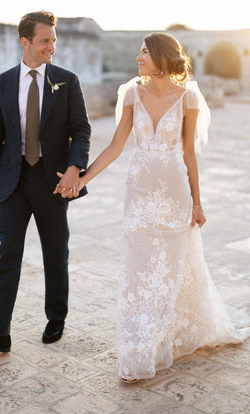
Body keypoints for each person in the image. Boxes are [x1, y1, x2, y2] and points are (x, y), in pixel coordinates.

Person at [55, 32, 249, 382]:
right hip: (140, 194)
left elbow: (189, 152)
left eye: (144, 52)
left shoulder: (188, 96)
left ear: (161, 57)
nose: (138, 57)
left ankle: (168, 334)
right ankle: (138, 348)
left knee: (172, 269)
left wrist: (198, 204)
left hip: (175, 195)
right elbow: (116, 145)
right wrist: (83, 179)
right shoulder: (132, 92)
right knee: (139, 271)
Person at [0, 11, 91, 355]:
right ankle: (0, 334)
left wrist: (76, 166)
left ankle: (56, 318)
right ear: (25, 42)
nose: (51, 46)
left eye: (54, 40)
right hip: (12, 182)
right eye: (45, 40)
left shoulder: (66, 80)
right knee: (7, 257)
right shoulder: (2, 83)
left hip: (53, 182)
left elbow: (82, 130)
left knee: (55, 254)